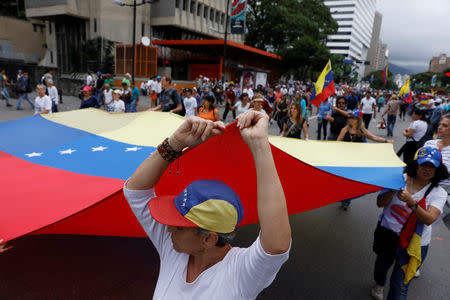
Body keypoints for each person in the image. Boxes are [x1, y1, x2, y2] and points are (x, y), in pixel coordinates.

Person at [123, 110, 291, 299]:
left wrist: (260, 145)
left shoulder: (239, 273)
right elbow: (135, 191)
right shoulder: (174, 245)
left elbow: (277, 245)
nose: (168, 229)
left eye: (179, 226)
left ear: (209, 239)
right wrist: (176, 142)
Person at [370, 147, 448, 300]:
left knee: (400, 285)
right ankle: (379, 284)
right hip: (388, 235)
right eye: (423, 165)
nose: (427, 169)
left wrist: (412, 203)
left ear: (438, 169)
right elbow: (380, 203)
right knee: (381, 268)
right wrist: (392, 190)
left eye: (432, 166)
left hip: (414, 244)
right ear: (415, 164)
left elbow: (429, 219)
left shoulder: (439, 192)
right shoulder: (399, 178)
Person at [338, 109, 393, 210]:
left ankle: (346, 200)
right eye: (349, 117)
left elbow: (374, 138)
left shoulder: (362, 131)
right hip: (344, 161)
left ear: (358, 119)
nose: (350, 119)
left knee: (350, 183)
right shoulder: (345, 130)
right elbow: (337, 142)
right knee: (342, 181)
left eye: (353, 117)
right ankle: (341, 197)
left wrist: (386, 141)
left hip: (356, 163)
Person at [424, 113, 450, 229]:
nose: (440, 127)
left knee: (425, 229)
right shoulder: (429, 144)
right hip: (423, 191)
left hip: (444, 196)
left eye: (445, 126)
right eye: (440, 124)